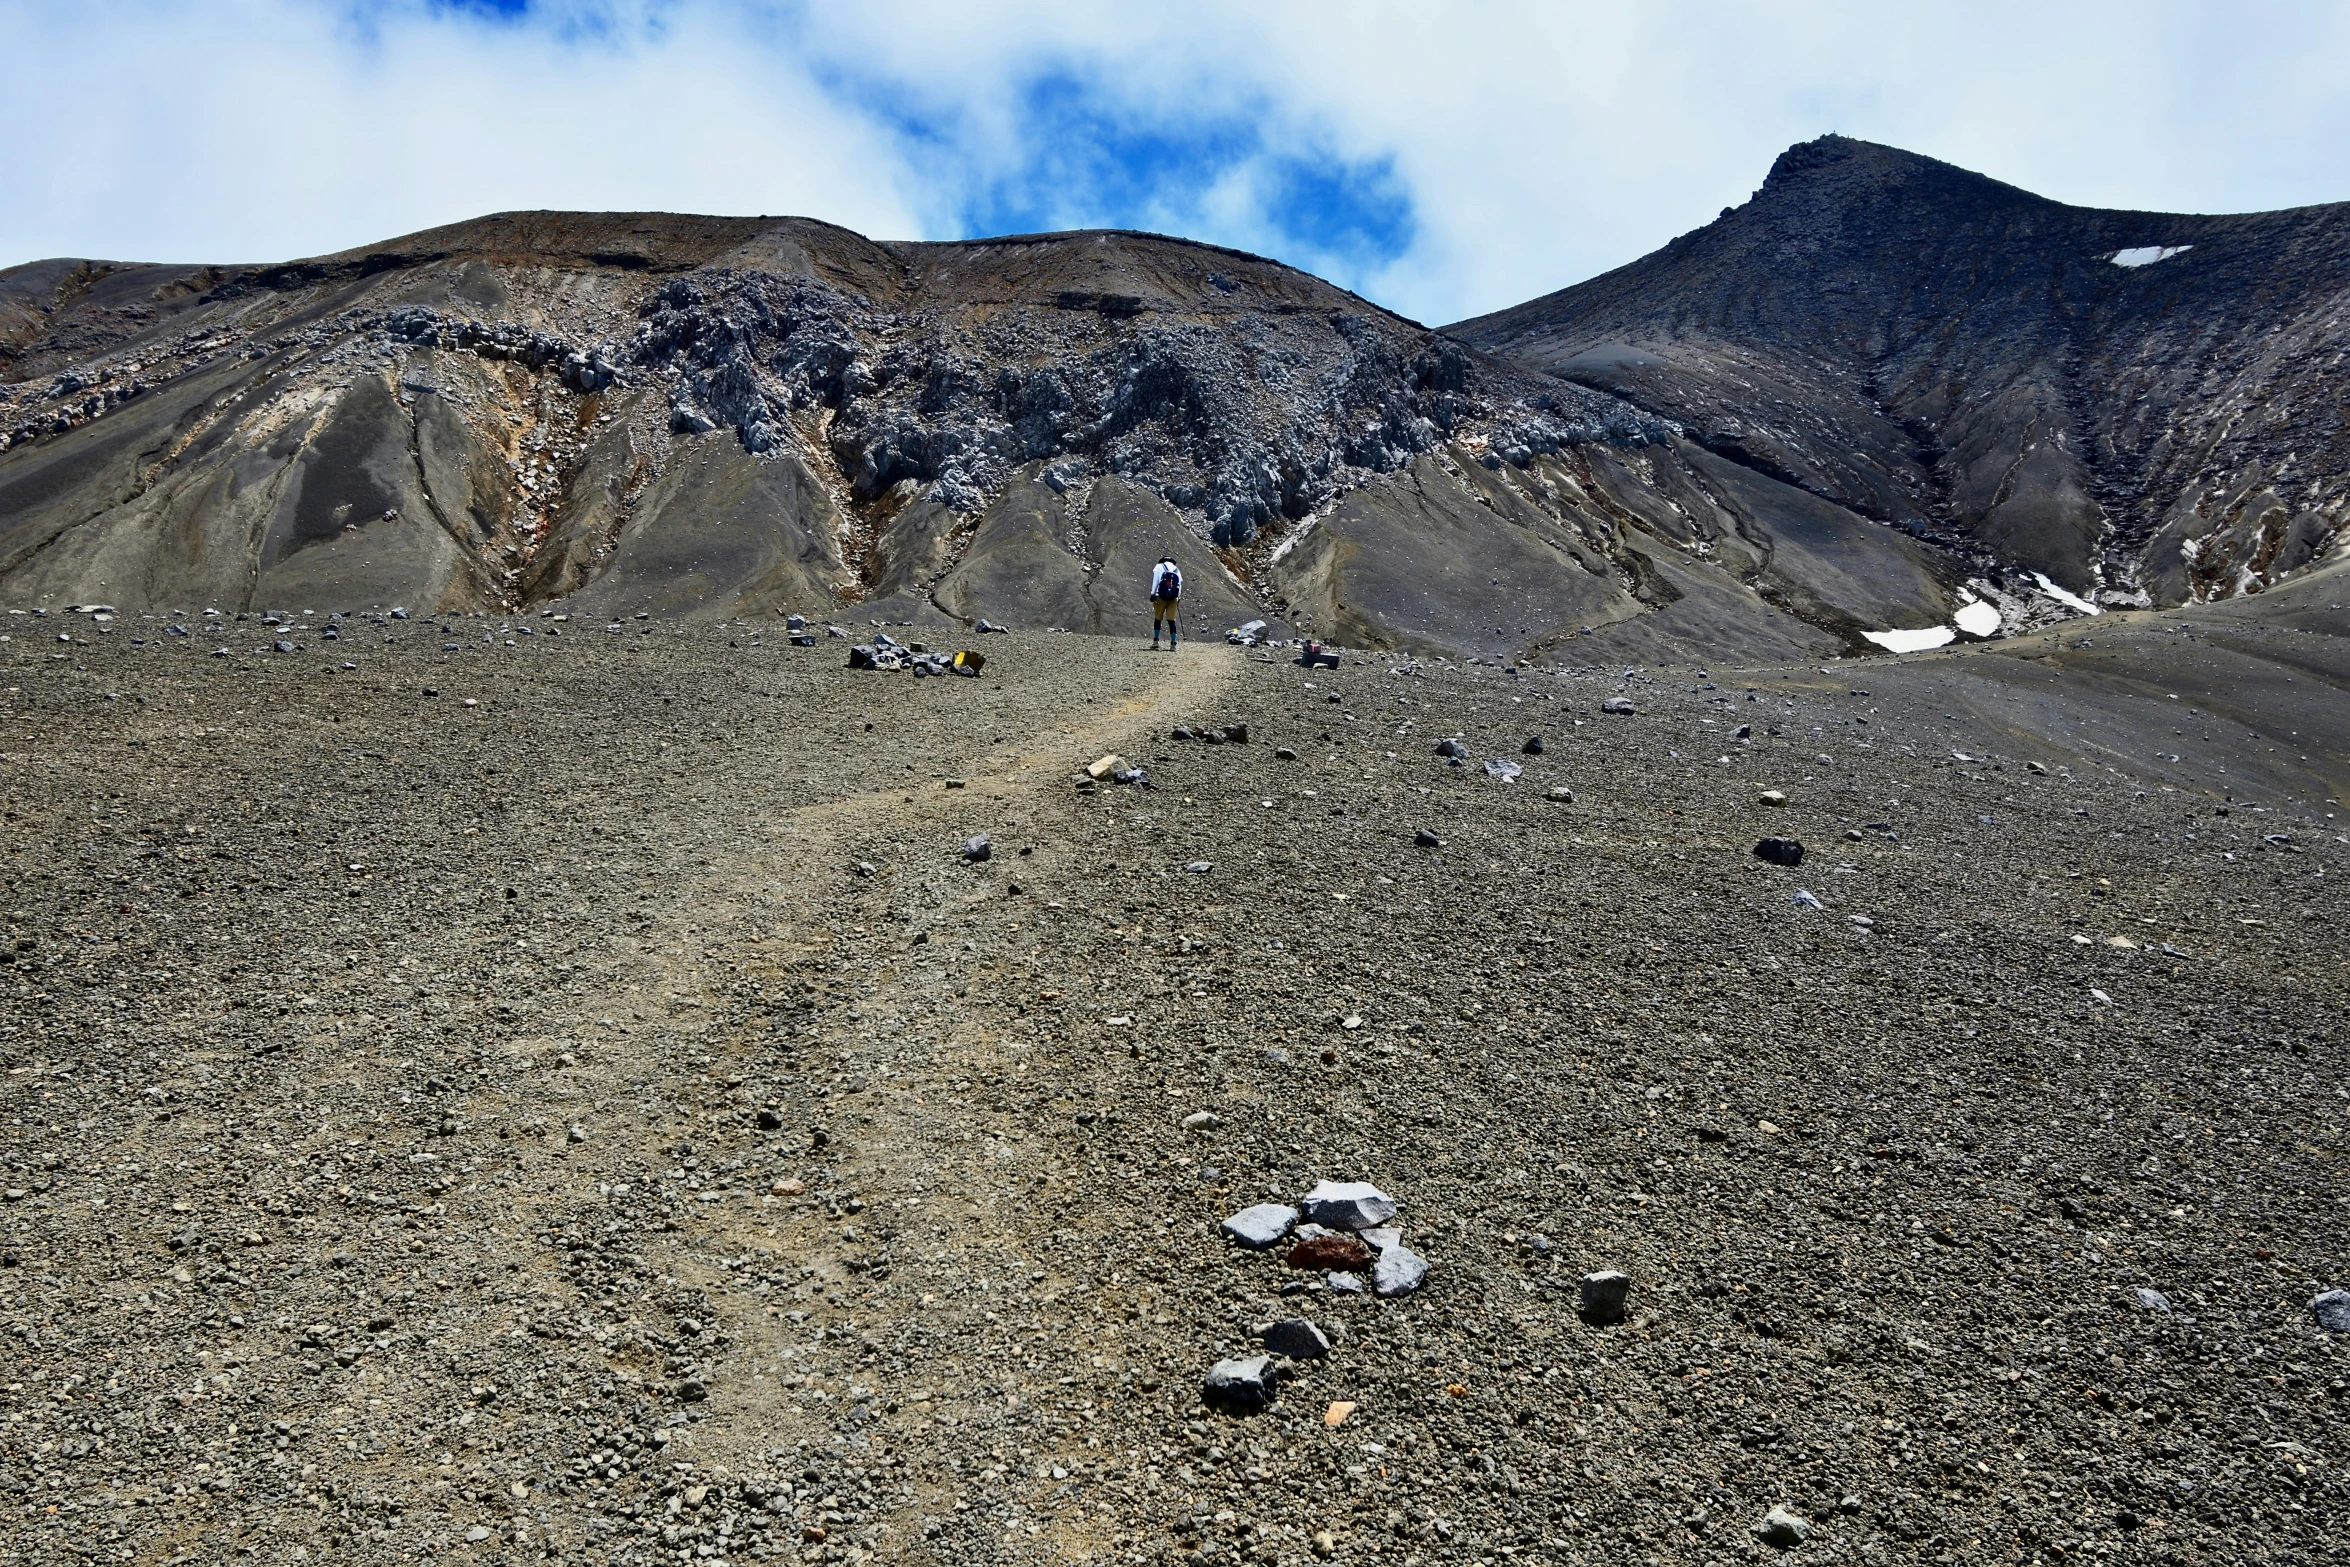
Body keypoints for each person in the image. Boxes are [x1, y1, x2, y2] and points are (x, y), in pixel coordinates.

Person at [1149, 555, 1182, 649]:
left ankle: (1155, 642)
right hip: (1173, 598)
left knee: (1158, 618)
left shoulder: (1159, 567)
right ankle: (1173, 643)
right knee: (1171, 620)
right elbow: (1179, 584)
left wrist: (1152, 593)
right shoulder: (1176, 569)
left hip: (1160, 596)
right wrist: (1178, 597)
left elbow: (1155, 581)